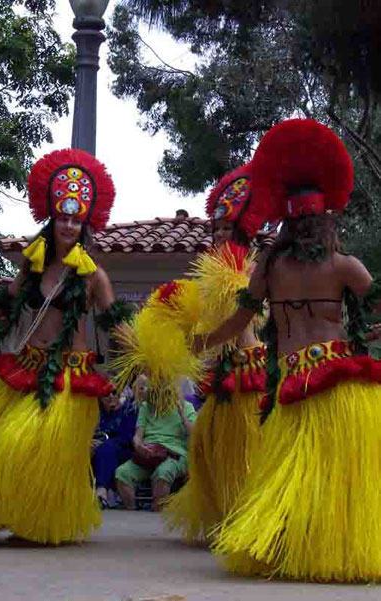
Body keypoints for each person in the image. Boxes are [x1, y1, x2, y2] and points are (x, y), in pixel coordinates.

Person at [197, 119, 381, 582]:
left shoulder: (268, 268)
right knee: (334, 476)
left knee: (290, 471)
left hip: (291, 383)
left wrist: (200, 342)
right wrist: (367, 337)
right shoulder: (345, 266)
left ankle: (294, 547)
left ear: (285, 224)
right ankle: (325, 551)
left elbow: (240, 321)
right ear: (326, 221)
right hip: (340, 382)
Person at [0, 148, 131, 546]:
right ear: (52, 219)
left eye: (77, 219)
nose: (70, 225)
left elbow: (116, 325)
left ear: (85, 224)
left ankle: (34, 522)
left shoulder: (95, 277)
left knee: (27, 446)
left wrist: (156, 351)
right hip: (26, 367)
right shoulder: (32, 266)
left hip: (68, 376)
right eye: (63, 217)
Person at [163, 164, 267, 542]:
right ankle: (229, 516)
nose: (221, 234)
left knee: (242, 449)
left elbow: (240, 321)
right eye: (217, 228)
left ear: (241, 231)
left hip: (248, 365)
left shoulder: (250, 270)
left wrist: (201, 343)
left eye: (227, 228)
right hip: (224, 368)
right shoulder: (210, 274)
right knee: (209, 447)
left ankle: (245, 519)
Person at [115, 392, 197, 512]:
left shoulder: (187, 406)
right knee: (122, 473)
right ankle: (131, 511)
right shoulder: (146, 406)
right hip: (149, 452)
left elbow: (195, 434)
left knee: (163, 473)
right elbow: (138, 436)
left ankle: (157, 509)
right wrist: (138, 446)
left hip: (174, 453)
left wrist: (182, 415)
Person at [92, 386, 138, 509]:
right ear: (100, 398)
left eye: (114, 392)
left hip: (124, 451)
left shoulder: (128, 410)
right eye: (106, 394)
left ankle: (101, 491)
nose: (111, 396)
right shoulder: (97, 414)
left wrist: (102, 442)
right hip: (102, 450)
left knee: (106, 448)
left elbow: (127, 438)